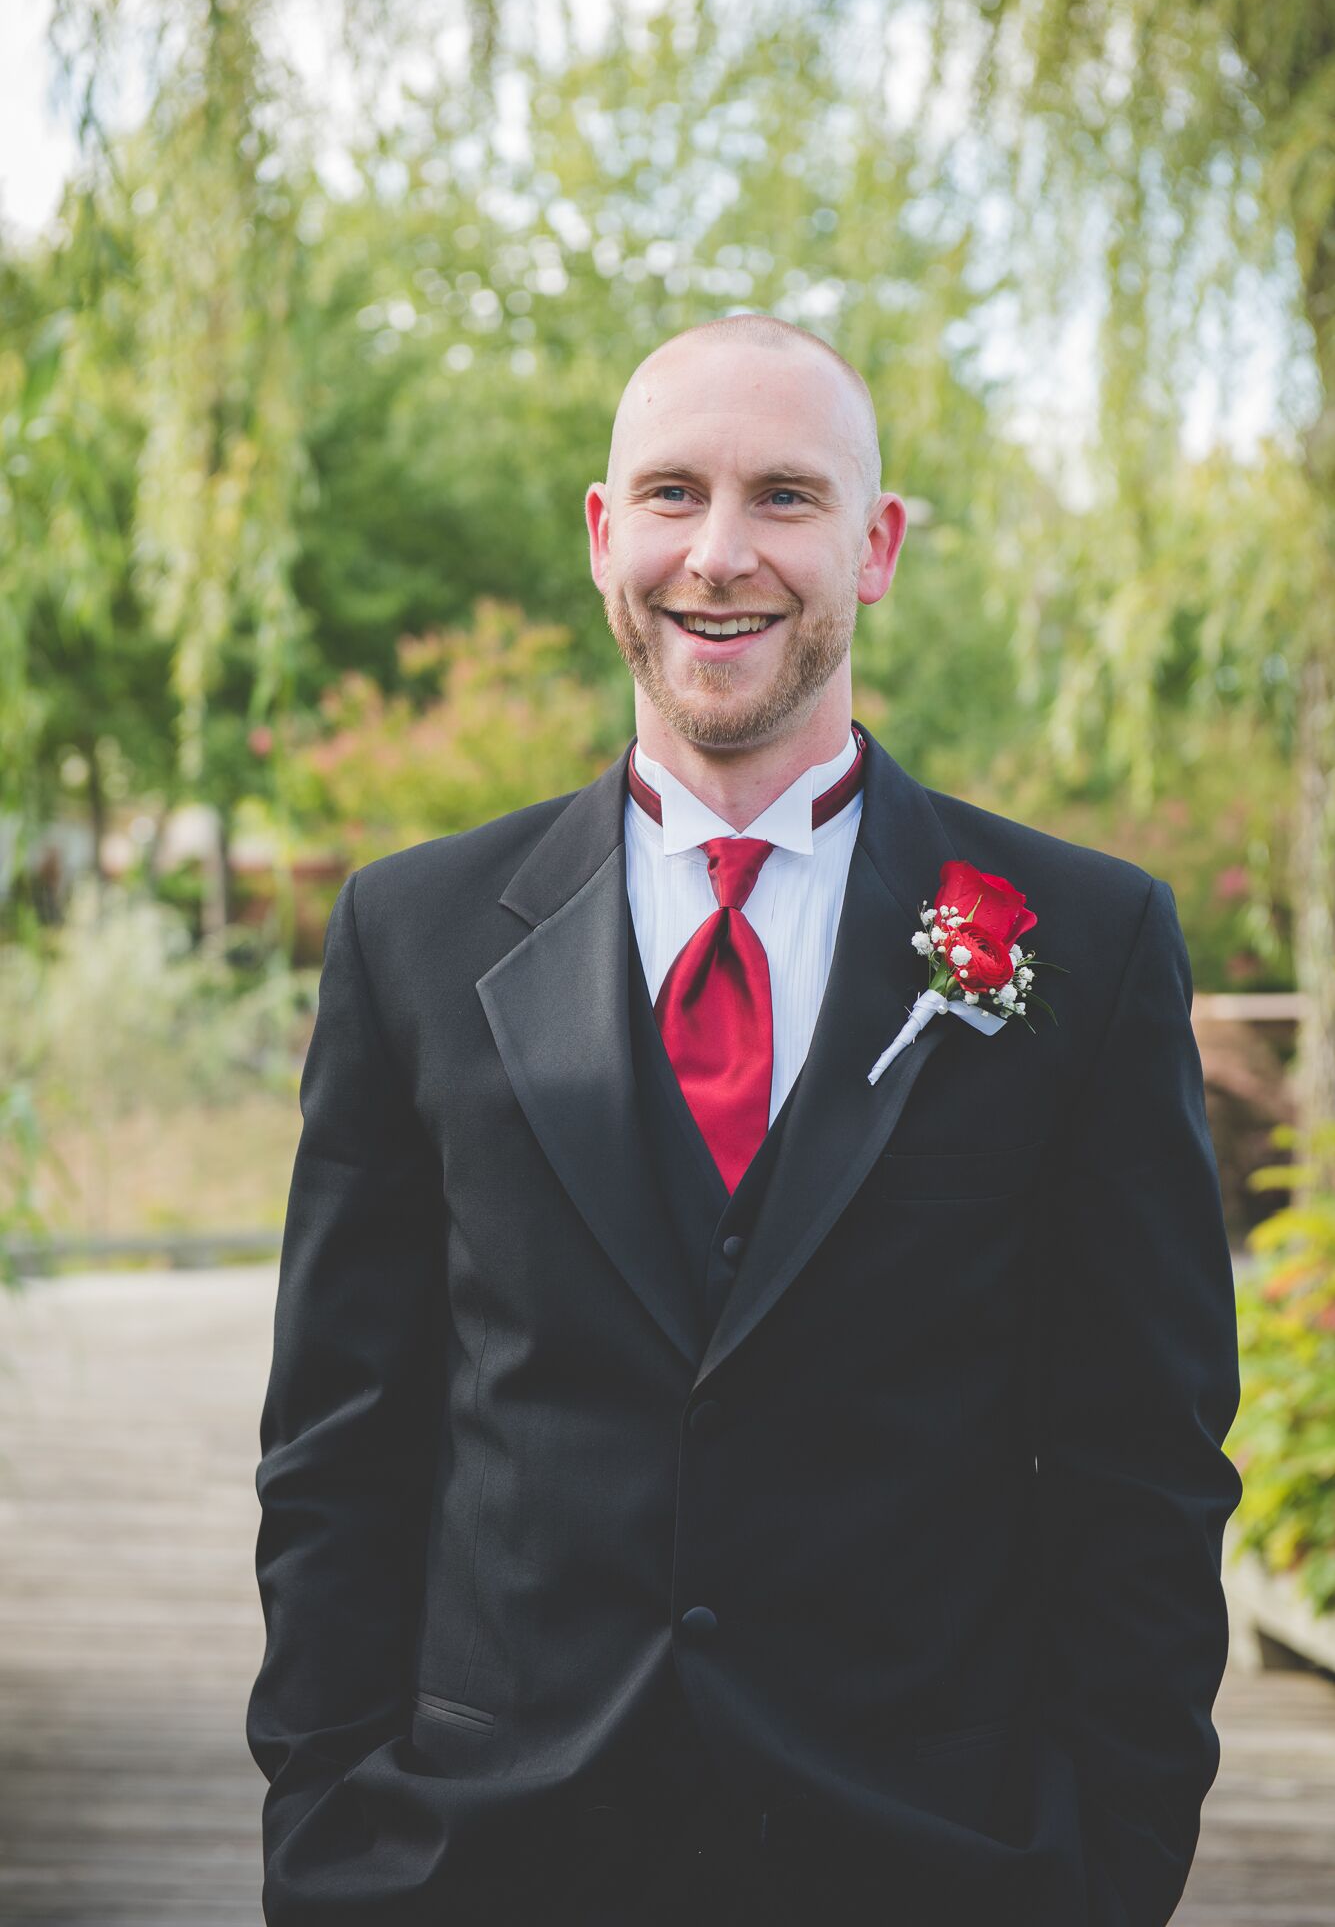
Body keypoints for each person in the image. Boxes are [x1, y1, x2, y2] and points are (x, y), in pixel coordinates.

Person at [246, 314, 1243, 1926]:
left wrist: (1111, 1861)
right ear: (600, 536)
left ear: (876, 544)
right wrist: (325, 1818)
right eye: (670, 494)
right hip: (478, 1860)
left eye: (785, 495)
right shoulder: (410, 936)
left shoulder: (1089, 941)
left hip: (936, 1856)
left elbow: (1146, 1456)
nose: (720, 555)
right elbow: (339, 1446)